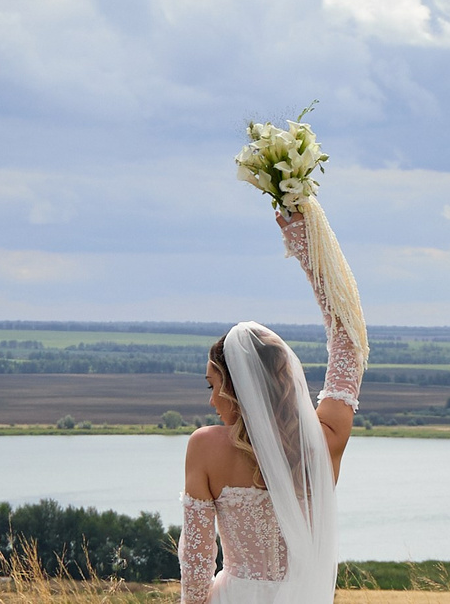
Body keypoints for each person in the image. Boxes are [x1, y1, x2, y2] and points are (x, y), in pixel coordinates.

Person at [178, 208, 362, 604]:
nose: (211, 401)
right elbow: (348, 340)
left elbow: (195, 568)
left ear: (238, 388)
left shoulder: (205, 447)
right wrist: (308, 245)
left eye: (214, 386)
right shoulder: (323, 441)